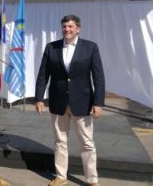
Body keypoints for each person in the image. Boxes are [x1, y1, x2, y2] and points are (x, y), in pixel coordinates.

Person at [35, 15, 105, 186]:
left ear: (78, 29)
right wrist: (39, 98)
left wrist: (98, 102)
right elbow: (43, 74)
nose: (67, 29)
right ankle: (61, 176)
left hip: (83, 102)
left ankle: (92, 179)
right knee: (60, 141)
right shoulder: (51, 47)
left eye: (71, 26)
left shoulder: (90, 47)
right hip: (58, 103)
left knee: (87, 143)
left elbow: (98, 78)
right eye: (64, 26)